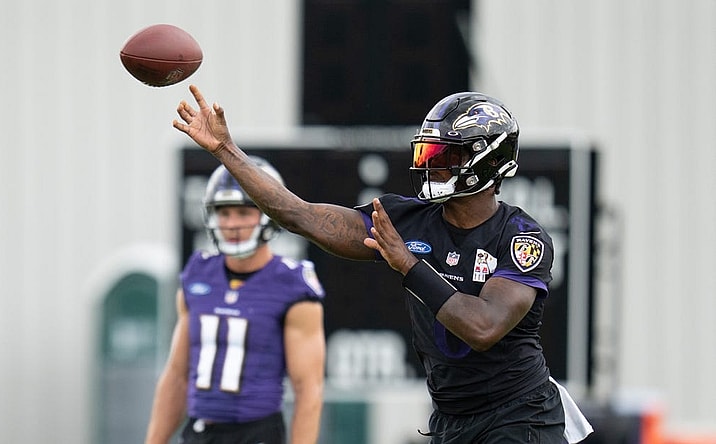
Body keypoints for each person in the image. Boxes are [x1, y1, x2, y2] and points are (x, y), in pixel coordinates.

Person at [172, 85, 595, 443]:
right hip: (451, 418)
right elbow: (300, 216)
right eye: (428, 152)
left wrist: (409, 264)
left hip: (519, 412)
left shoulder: (521, 237)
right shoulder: (407, 219)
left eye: (444, 155)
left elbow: (483, 327)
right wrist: (226, 150)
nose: (430, 164)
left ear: (485, 161)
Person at [144, 158, 327, 444]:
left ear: (270, 214)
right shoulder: (198, 273)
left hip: (257, 433)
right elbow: (178, 375)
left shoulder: (291, 284)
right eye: (224, 213)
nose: (232, 224)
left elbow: (308, 390)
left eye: (243, 212)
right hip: (200, 432)